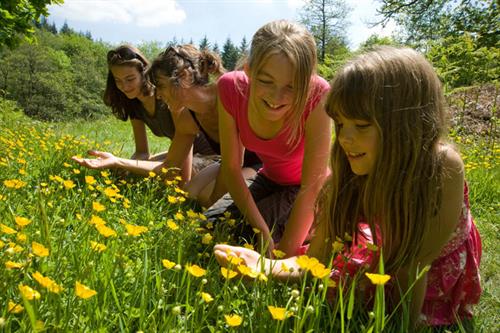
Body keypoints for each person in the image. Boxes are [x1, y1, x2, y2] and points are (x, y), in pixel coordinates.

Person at [214, 46, 482, 328]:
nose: (345, 138)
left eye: (362, 125)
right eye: (340, 124)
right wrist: (266, 266)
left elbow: (412, 268)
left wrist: (400, 326)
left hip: (426, 269)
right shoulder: (348, 172)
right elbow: (316, 258)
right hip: (388, 251)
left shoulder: (442, 168)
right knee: (335, 281)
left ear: (408, 125)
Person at [73, 45, 260, 204]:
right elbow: (170, 166)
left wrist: (211, 207)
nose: (159, 95)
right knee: (191, 194)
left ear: (183, 76)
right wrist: (116, 161)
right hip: (226, 161)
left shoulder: (226, 95)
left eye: (161, 86)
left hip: (261, 161)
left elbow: (234, 163)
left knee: (207, 197)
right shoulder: (188, 117)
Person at [207, 20, 332, 257]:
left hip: (306, 189)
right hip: (268, 180)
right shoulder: (230, 88)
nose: (277, 97)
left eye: (292, 86)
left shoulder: (318, 95)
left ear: (306, 84)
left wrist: (281, 259)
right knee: (213, 228)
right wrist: (261, 229)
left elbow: (312, 184)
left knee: (255, 243)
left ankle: (319, 226)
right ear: (249, 70)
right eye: (266, 81)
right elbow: (232, 167)